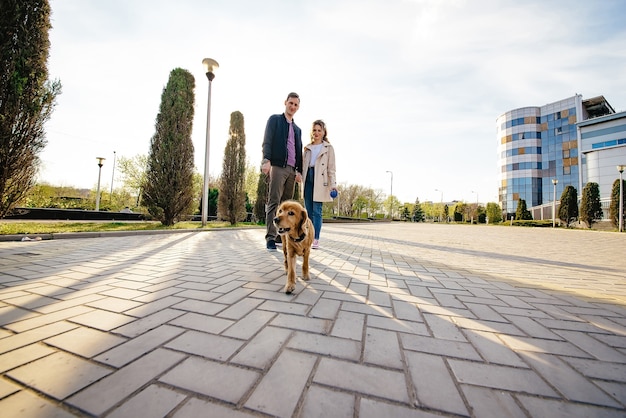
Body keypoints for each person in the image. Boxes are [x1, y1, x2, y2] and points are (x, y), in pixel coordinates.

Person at [261, 92, 303, 251]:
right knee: (274, 202)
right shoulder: (275, 120)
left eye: (296, 105)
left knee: (287, 207)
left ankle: (282, 237)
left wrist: (299, 171)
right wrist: (266, 160)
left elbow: (298, 151)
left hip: (292, 171)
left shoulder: (298, 130)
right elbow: (267, 141)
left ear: (298, 107)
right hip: (278, 167)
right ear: (285, 102)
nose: (292, 107)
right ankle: (271, 237)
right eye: (290, 103)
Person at [302, 119, 337, 249]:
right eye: (314, 130)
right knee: (308, 211)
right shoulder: (307, 148)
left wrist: (333, 185)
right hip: (308, 178)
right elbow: (302, 166)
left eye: (319, 130)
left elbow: (331, 169)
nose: (316, 133)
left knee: (317, 211)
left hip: (320, 180)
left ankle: (316, 238)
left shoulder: (328, 148)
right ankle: (309, 236)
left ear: (323, 132)